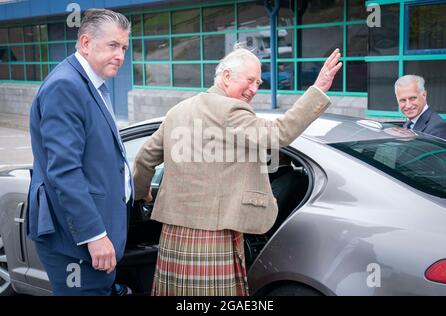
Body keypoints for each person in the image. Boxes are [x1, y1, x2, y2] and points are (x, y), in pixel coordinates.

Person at [132, 45, 342, 296]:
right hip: (213, 236)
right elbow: (280, 133)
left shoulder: (178, 111)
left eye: (259, 82)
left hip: (173, 234)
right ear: (227, 76)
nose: (254, 88)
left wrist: (142, 194)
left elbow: (145, 158)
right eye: (250, 80)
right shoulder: (231, 110)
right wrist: (317, 90)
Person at [28, 9, 133, 295]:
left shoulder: (91, 85)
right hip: (76, 241)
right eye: (113, 45)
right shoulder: (66, 86)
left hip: (91, 236)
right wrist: (95, 235)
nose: (120, 55)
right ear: (86, 43)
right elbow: (64, 171)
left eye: (124, 47)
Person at [395, 75, 446, 140]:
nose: (408, 105)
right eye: (403, 100)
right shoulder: (409, 123)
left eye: (412, 98)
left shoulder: (438, 128)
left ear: (424, 95)